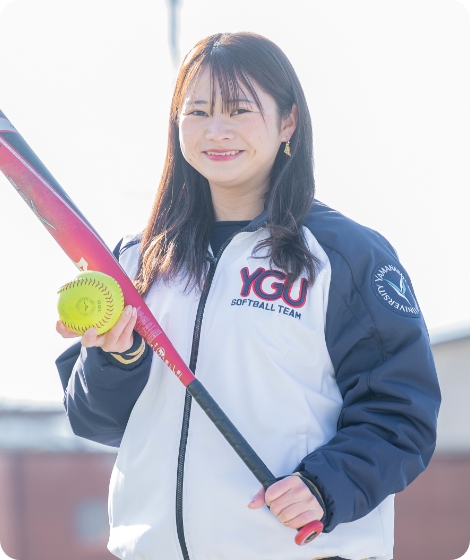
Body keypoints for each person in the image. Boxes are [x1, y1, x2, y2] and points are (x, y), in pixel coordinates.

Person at [56, 32, 440, 560]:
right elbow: (98, 422)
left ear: (289, 121)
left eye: (239, 110)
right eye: (197, 112)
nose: (217, 131)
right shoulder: (134, 262)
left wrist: (324, 488)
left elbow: (401, 415)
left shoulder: (347, 255)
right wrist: (117, 357)